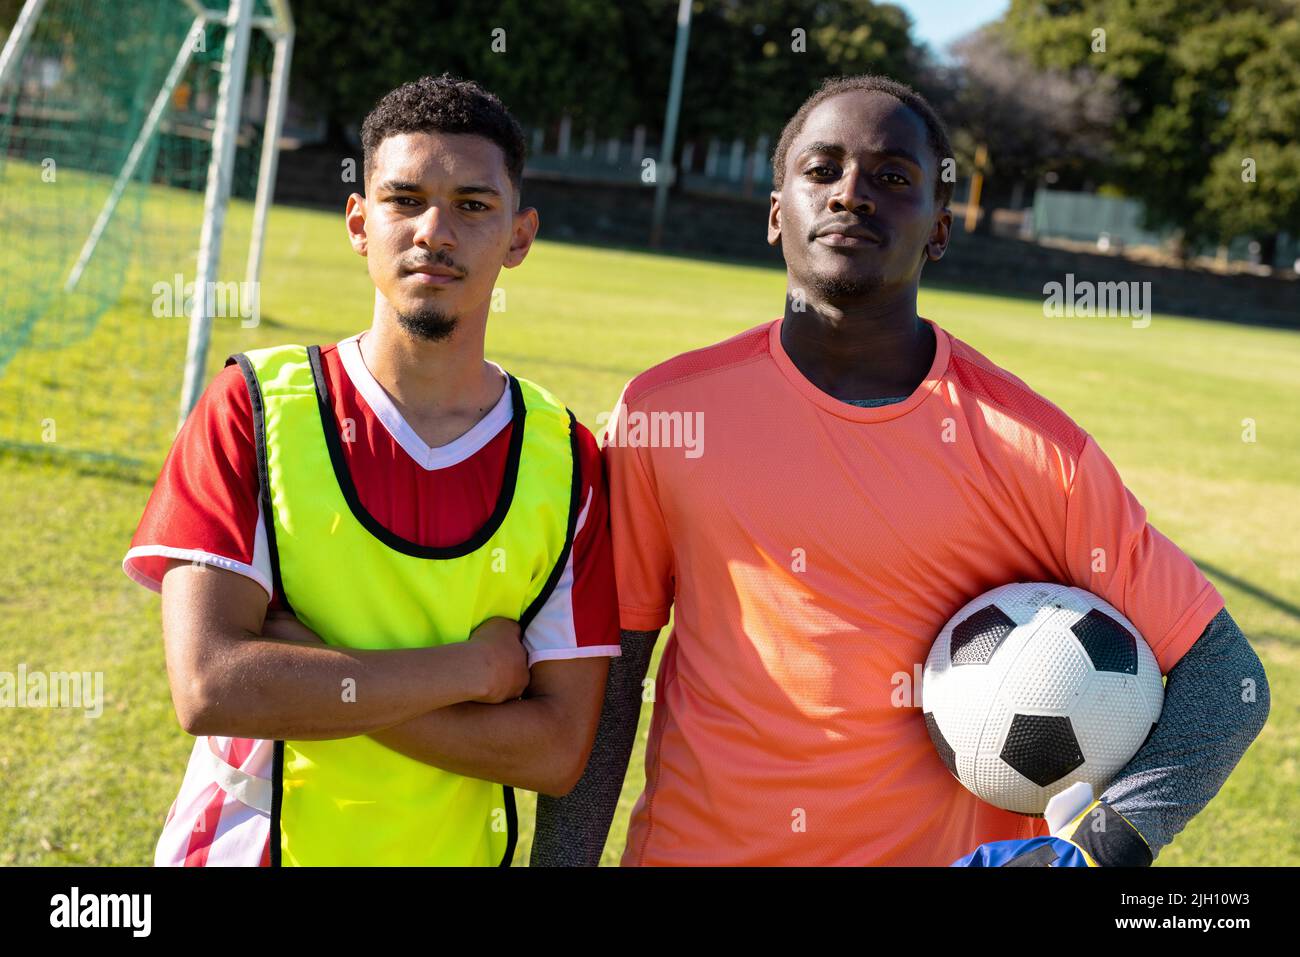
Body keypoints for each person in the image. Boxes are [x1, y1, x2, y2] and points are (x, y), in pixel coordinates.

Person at [531, 74, 1270, 867]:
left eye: (892, 177)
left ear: (940, 229)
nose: (851, 194)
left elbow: (1226, 679)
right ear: (777, 214)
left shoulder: (1036, 449)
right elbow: (610, 682)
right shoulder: (666, 413)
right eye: (822, 171)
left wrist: (1099, 848)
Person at [123, 74, 620, 866]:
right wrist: (472, 670)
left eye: (472, 204)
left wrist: (307, 672)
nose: (434, 230)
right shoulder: (254, 406)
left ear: (519, 236)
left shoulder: (567, 458)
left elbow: (555, 751)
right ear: (359, 221)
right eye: (404, 199)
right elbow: (212, 686)